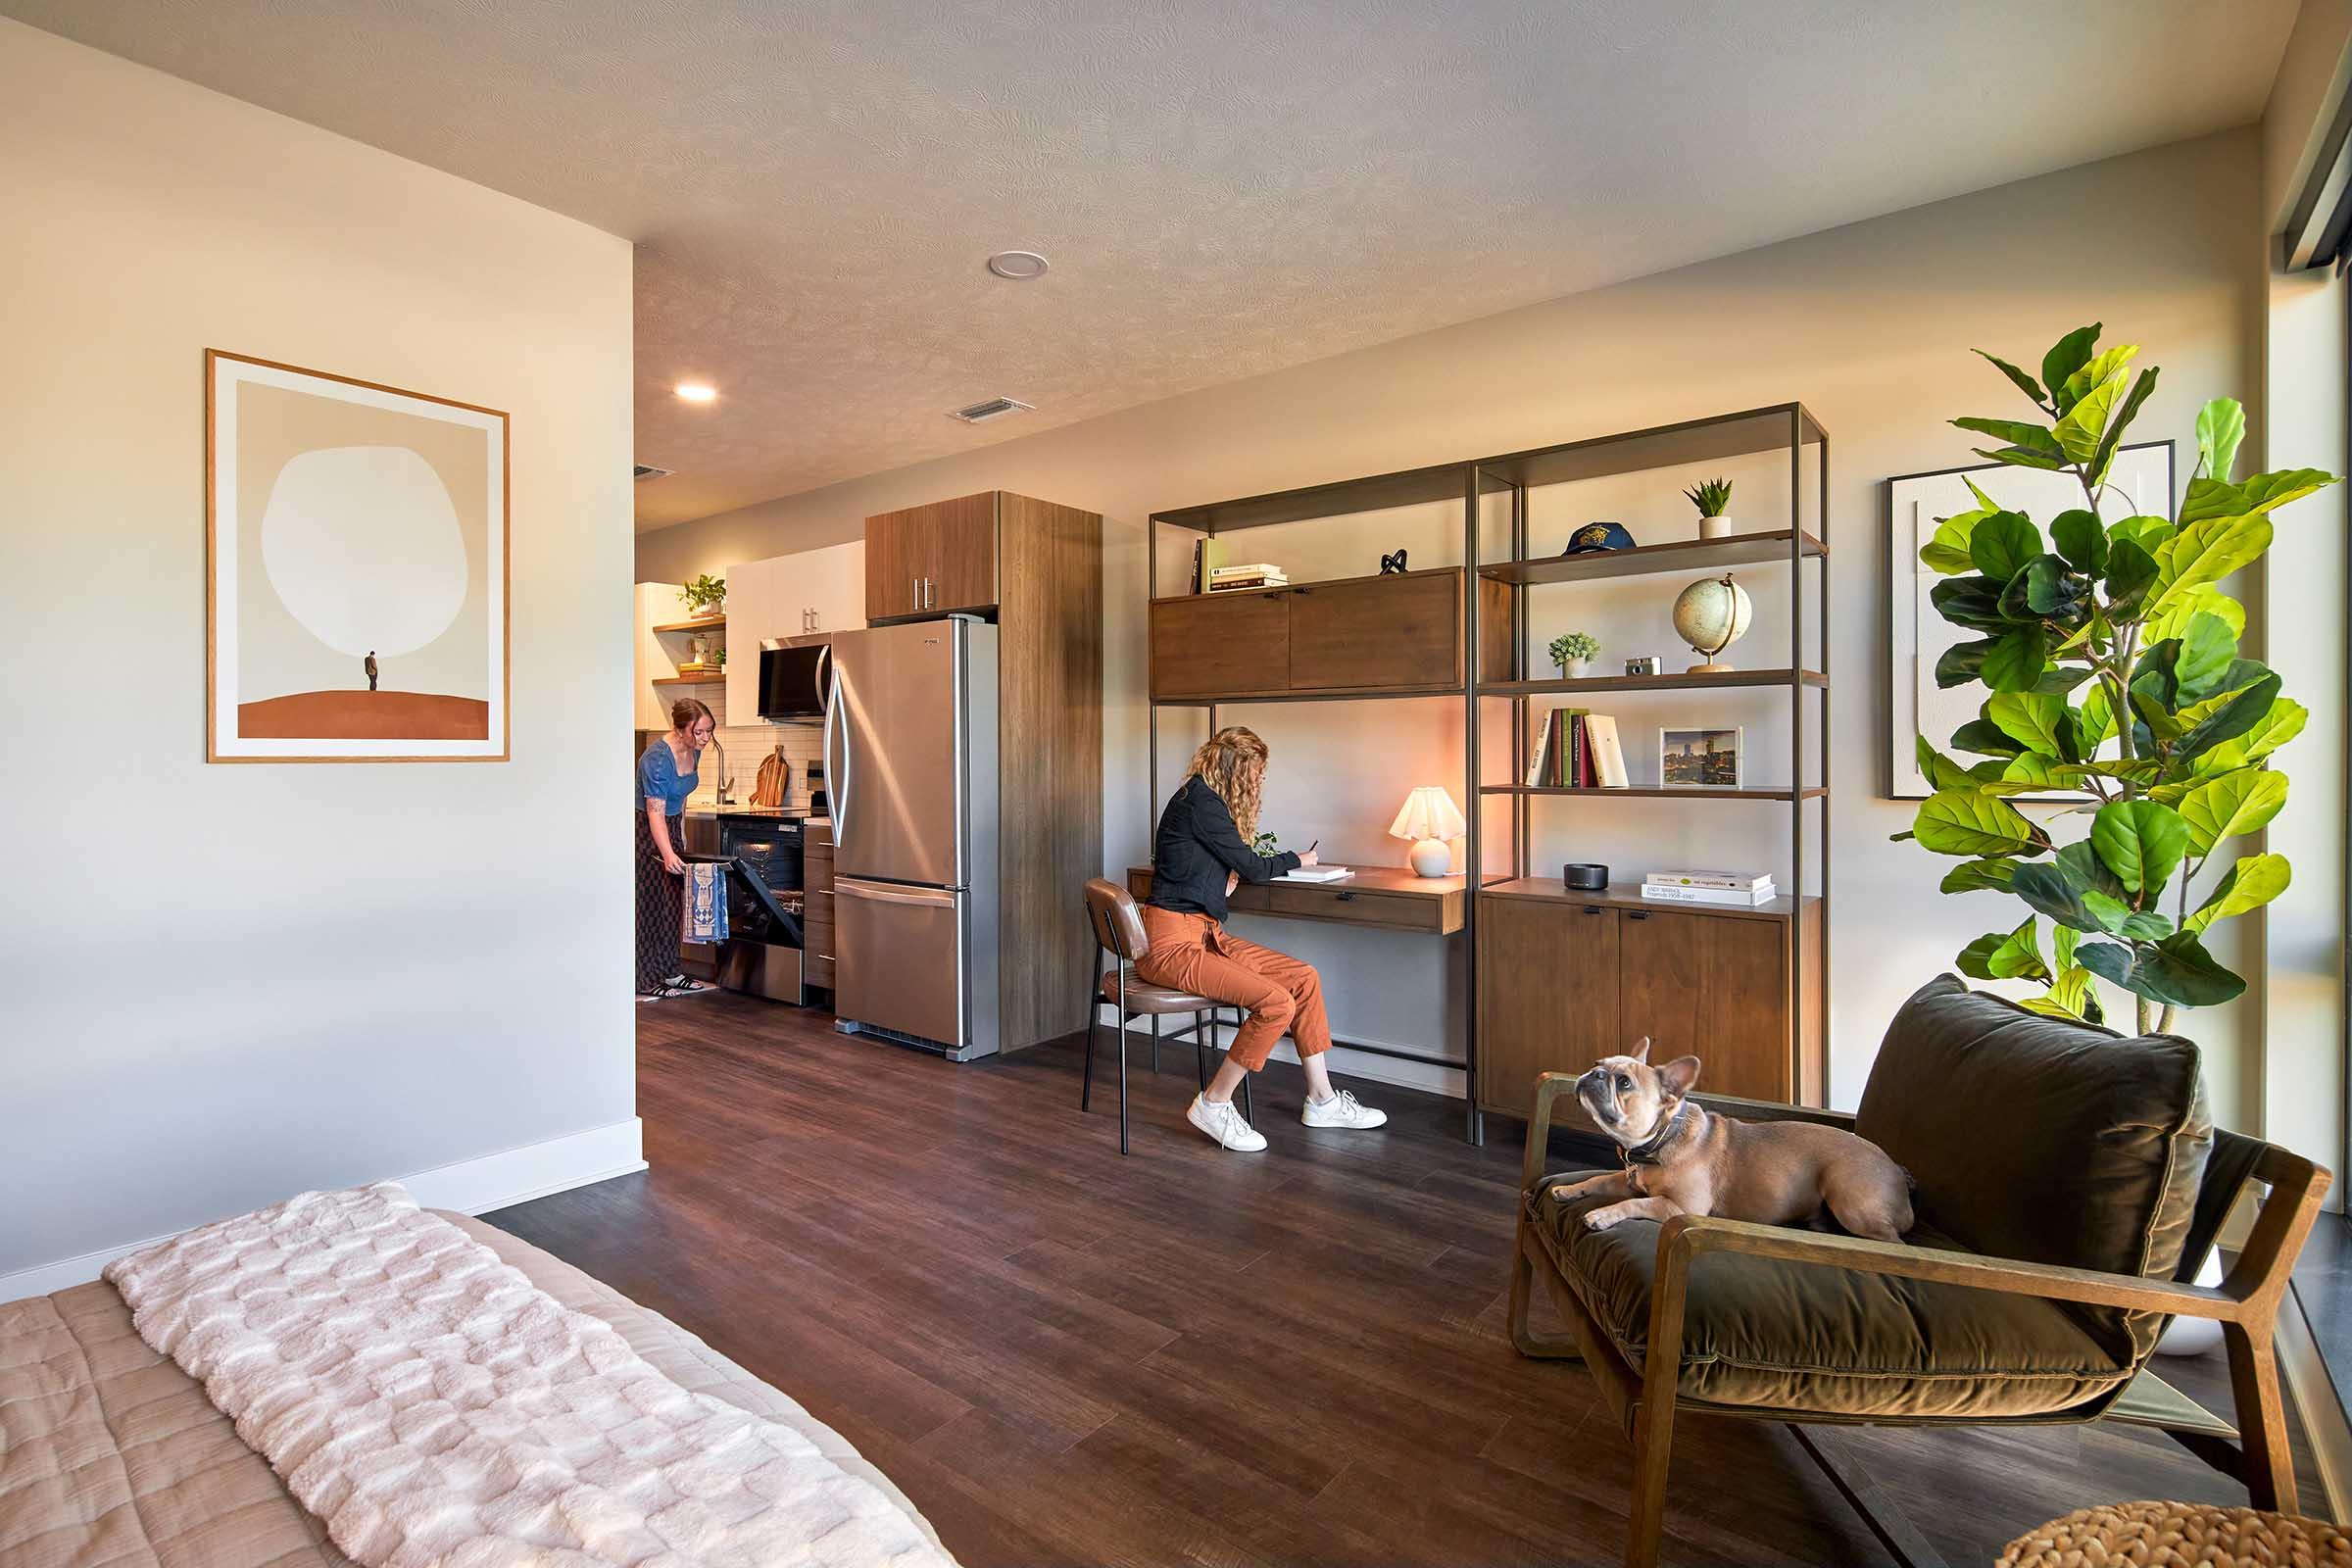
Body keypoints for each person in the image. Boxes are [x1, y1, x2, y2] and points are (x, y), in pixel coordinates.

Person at [1135, 726, 1387, 1152]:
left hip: (1205, 934)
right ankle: (1214, 1103)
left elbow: (1199, 867)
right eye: (1257, 772)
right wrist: (1298, 859)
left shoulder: (1200, 799)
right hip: (1171, 944)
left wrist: (1223, 878)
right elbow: (1252, 866)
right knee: (1276, 1003)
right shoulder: (1202, 803)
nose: (1259, 781)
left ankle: (1322, 1100)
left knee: (1303, 977)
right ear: (1237, 768)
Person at [637, 698, 714, 999]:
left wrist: (680, 834)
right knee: (650, 905)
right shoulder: (657, 758)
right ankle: (645, 977)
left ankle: (670, 970)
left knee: (673, 904)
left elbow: (681, 797)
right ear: (680, 729)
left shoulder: (694, 750)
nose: (705, 738)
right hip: (645, 830)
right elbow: (654, 811)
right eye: (699, 732)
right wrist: (668, 852)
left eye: (709, 731)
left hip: (670, 826)